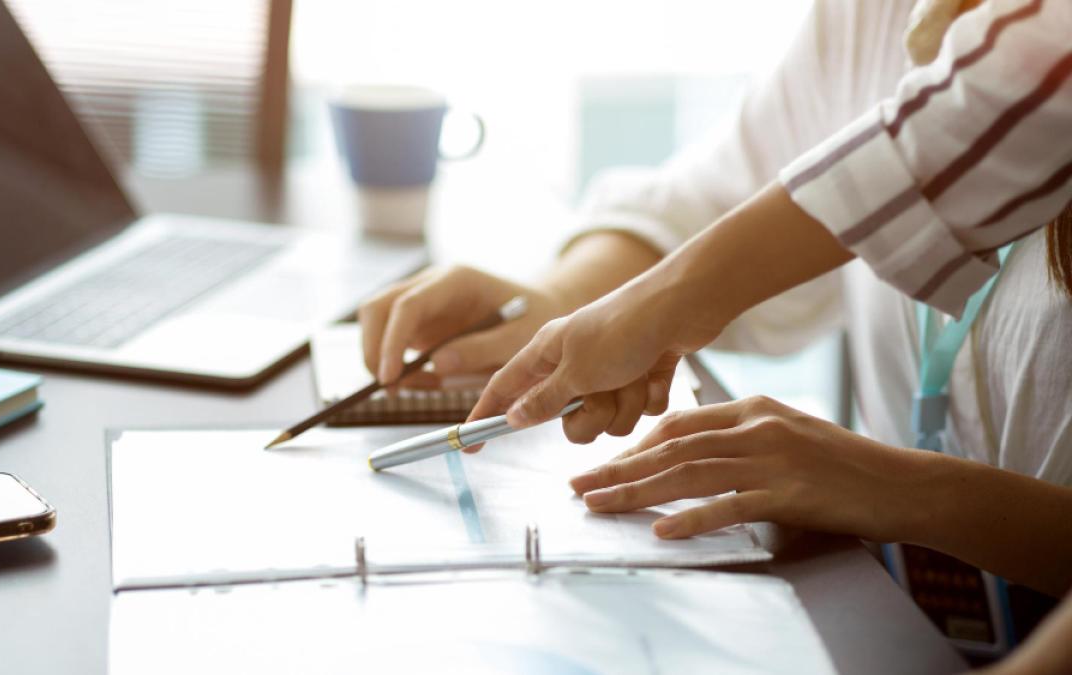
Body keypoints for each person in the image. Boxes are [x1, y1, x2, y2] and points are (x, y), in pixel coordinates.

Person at [358, 0, 1072, 666]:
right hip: (896, 626)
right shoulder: (873, 14)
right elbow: (714, 203)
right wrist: (563, 300)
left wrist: (915, 493)